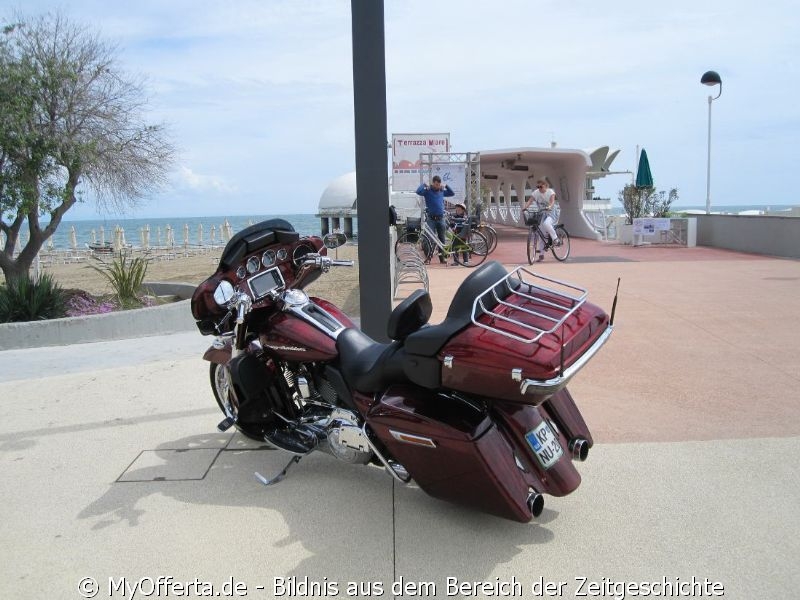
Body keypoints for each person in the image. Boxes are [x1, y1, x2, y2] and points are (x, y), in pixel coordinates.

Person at [416, 175, 454, 263]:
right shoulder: (427, 191)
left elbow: (452, 193)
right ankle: (428, 258)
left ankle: (442, 258)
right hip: (431, 219)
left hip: (441, 219)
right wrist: (424, 185)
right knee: (429, 239)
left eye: (439, 184)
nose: (437, 186)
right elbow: (418, 191)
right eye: (436, 184)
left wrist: (446, 186)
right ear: (433, 183)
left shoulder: (441, 191)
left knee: (442, 239)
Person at [523, 176, 560, 261]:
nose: (539, 188)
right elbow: (530, 200)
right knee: (541, 232)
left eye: (541, 187)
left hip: (551, 212)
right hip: (541, 213)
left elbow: (552, 201)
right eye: (538, 187)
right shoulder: (536, 193)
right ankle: (541, 255)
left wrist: (549, 206)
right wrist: (525, 207)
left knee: (546, 224)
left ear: (546, 186)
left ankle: (555, 239)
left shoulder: (550, 192)